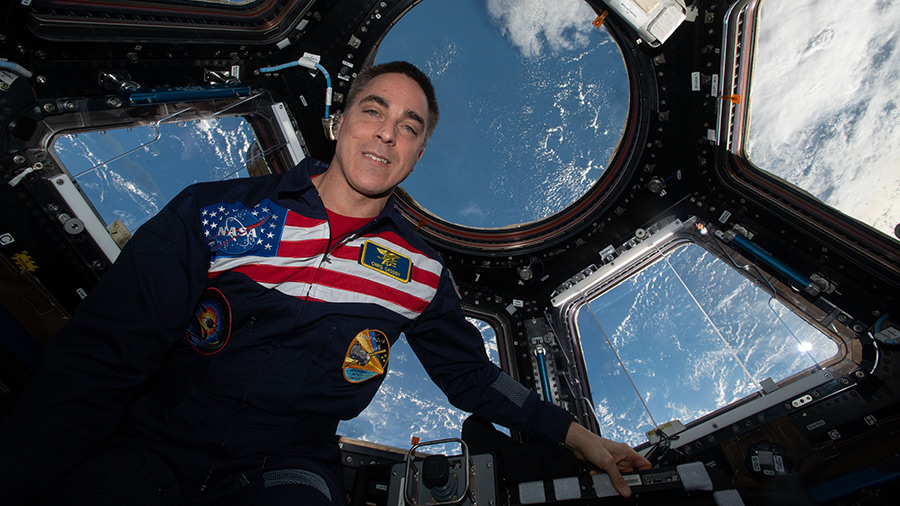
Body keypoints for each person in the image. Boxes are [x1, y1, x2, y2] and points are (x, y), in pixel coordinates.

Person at [0, 61, 649, 505]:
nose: (388, 133)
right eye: (374, 110)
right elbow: (106, 353)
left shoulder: (418, 273)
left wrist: (582, 439)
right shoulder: (217, 212)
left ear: (418, 154)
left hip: (289, 464)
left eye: (410, 126)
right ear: (341, 121)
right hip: (157, 441)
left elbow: (475, 379)